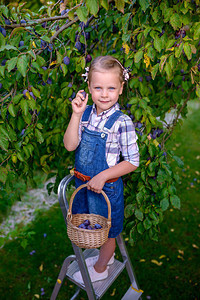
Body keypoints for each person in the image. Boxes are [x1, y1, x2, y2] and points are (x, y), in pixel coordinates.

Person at [63, 55, 139, 284]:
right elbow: (70, 145)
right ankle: (101, 258)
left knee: (106, 233)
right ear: (88, 87)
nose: (104, 94)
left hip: (106, 190)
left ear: (121, 88)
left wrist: (103, 175)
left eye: (111, 88)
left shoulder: (121, 121)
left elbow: (133, 161)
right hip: (84, 186)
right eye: (98, 87)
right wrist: (76, 114)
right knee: (90, 227)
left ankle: (100, 267)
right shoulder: (85, 115)